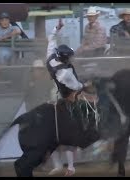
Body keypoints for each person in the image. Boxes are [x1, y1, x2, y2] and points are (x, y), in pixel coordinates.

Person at [46, 18, 94, 176]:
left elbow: (51, 39)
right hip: (68, 97)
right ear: (66, 58)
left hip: (55, 93)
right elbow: (77, 86)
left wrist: (57, 28)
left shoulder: (51, 57)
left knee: (52, 132)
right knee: (74, 127)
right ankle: (72, 164)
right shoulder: (65, 73)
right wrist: (86, 84)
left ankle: (59, 164)